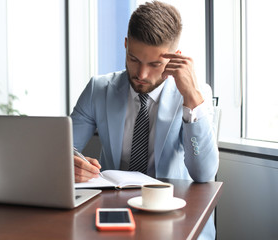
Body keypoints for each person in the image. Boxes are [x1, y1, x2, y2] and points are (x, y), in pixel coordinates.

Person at [70, 1, 219, 239]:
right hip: (113, 213)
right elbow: (64, 148)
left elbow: (203, 173)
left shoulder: (196, 95)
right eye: (134, 59)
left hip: (174, 215)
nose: (141, 74)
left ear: (174, 59)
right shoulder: (99, 89)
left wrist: (191, 98)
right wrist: (71, 164)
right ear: (126, 45)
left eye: (155, 64)